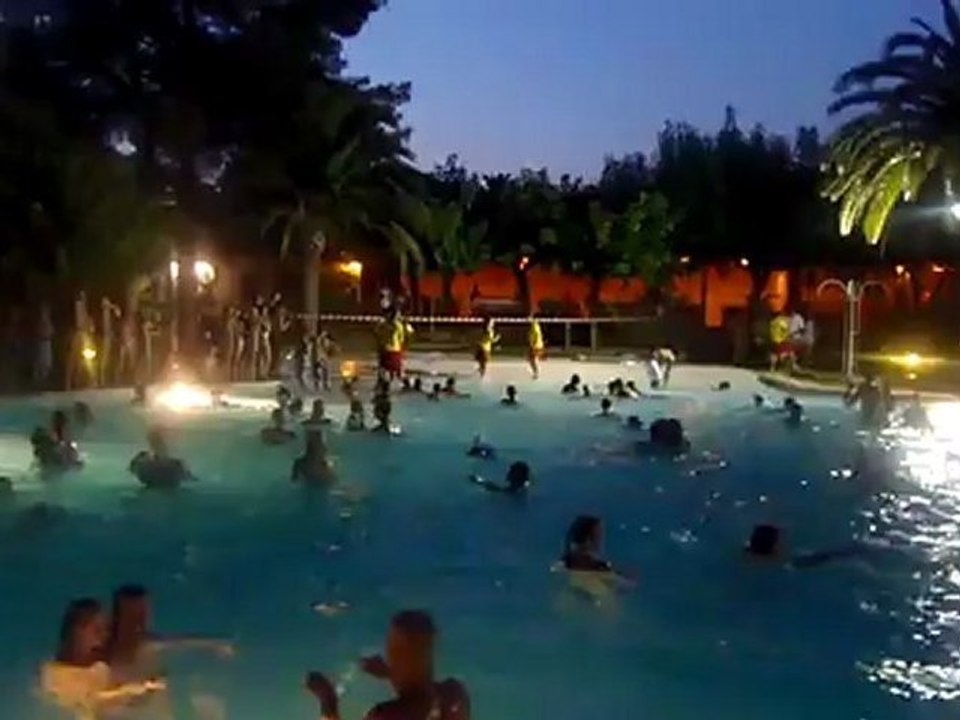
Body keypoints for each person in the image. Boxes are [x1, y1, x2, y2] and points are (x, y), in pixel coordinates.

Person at [306, 610, 470, 720]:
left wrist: (327, 700)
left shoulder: (387, 715)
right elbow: (420, 690)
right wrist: (391, 673)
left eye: (393, 649)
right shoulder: (455, 694)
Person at [41, 598, 164, 718]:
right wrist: (133, 691)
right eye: (97, 631)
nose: (102, 639)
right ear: (75, 634)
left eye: (106, 631)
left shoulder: (100, 668)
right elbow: (91, 700)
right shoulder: (55, 674)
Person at [107, 584, 233, 683]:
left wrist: (217, 645)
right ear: (117, 618)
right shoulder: (102, 654)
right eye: (133, 617)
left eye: (143, 616)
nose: (140, 623)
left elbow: (185, 643)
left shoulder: (153, 648)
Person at [129, 428, 195, 488]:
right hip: (161, 486)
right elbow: (189, 478)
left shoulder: (176, 463)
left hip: (163, 486)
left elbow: (132, 469)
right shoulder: (143, 457)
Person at [377, 310, 414, 383]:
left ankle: (382, 384)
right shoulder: (399, 325)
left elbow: (377, 333)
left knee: (383, 369)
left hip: (387, 349)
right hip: (395, 350)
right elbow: (408, 335)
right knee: (398, 370)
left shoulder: (384, 324)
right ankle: (407, 384)